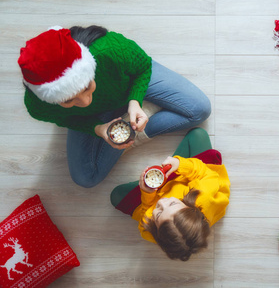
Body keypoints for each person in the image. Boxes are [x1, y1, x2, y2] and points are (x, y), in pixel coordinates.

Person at [18, 25, 211, 188]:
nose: (86, 102)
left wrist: (135, 101)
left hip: (127, 84)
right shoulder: (38, 106)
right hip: (94, 118)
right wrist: (98, 128)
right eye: (69, 100)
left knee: (200, 109)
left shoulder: (109, 50)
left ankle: (132, 126)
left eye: (87, 87)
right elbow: (67, 120)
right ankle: (132, 129)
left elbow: (143, 66)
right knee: (85, 178)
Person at [110, 128, 230, 261]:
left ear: (157, 232)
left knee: (115, 196)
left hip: (157, 191)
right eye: (172, 203)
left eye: (159, 213)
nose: (161, 202)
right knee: (198, 134)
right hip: (186, 177)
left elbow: (145, 213)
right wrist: (179, 164)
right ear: (191, 207)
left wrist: (147, 193)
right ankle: (174, 165)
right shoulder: (204, 195)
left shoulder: (148, 231)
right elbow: (206, 173)